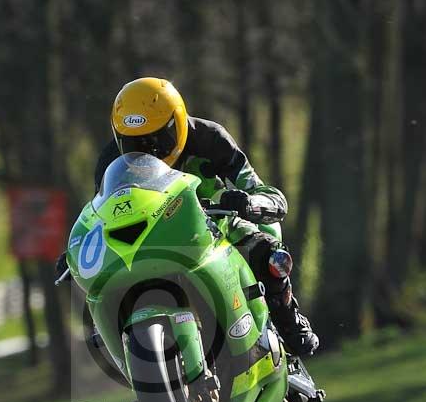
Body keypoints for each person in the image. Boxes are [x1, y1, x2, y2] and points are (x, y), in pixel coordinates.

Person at [59, 77, 318, 356]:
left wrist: (250, 202)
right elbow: (103, 210)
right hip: (152, 235)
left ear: (178, 122)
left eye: (158, 139)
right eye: (133, 143)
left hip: (213, 222)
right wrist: (82, 247)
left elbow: (262, 190)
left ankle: (288, 321)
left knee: (267, 253)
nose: (148, 151)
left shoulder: (210, 138)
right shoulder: (110, 159)